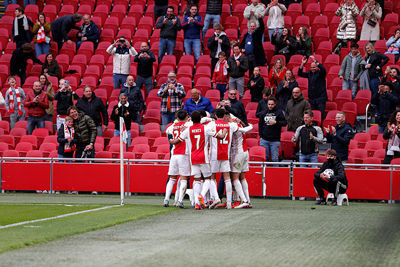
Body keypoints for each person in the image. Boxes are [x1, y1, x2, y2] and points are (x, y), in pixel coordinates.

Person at [169, 110, 228, 210]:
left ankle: (197, 202)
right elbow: (220, 137)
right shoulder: (205, 128)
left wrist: (171, 141)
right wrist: (225, 131)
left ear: (191, 119)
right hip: (203, 157)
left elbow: (176, 141)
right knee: (208, 178)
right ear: (200, 119)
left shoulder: (188, 129)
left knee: (197, 181)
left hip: (193, 158)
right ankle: (202, 195)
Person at [163, 110, 191, 208]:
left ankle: (166, 199)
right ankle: (179, 201)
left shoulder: (171, 127)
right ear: (187, 116)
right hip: (184, 154)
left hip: (174, 154)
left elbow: (168, 134)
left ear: (176, 117)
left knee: (172, 178)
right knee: (183, 178)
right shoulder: (189, 125)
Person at [259, 97, 287, 162]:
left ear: (275, 104)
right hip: (264, 139)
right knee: (265, 159)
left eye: (272, 104)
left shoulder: (279, 112)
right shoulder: (263, 113)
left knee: (275, 159)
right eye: (269, 104)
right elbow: (260, 125)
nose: (270, 106)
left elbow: (285, 123)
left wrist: (276, 122)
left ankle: (276, 172)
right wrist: (261, 135)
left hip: (275, 140)